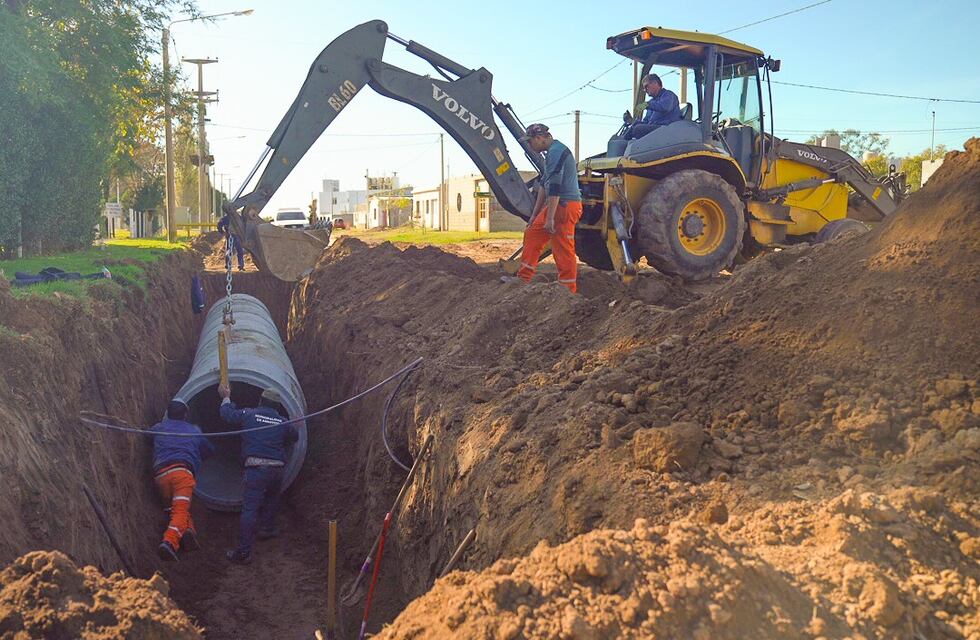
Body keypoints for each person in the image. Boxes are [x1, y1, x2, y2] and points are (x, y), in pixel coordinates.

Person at [218, 384, 298, 564]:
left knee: (249, 509)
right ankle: (267, 528)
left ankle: (244, 552)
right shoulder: (282, 422)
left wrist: (226, 397)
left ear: (260, 401)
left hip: (256, 469)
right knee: (272, 498)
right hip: (277, 469)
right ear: (277, 407)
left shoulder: (249, 414)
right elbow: (294, 437)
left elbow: (227, 415)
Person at [513, 123, 583, 293]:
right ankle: (523, 279)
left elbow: (555, 186)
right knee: (533, 232)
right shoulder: (551, 154)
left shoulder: (557, 151)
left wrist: (550, 217)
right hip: (557, 205)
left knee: (562, 247)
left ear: (539, 138)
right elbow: (544, 185)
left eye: (530, 142)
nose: (530, 146)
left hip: (566, 206)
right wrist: (535, 216)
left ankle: (567, 290)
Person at [149, 400, 214, 562]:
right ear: (186, 415)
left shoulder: (159, 428)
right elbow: (209, 450)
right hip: (182, 474)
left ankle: (187, 531)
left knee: (176, 508)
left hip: (161, 477)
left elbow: (147, 436)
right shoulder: (194, 430)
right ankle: (169, 542)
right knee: (180, 510)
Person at [625, 73, 682, 140]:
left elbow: (665, 107)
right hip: (656, 129)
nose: (645, 90)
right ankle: (622, 141)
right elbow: (646, 121)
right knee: (635, 126)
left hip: (666, 128)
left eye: (646, 86)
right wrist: (632, 121)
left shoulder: (668, 95)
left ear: (655, 83)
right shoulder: (652, 102)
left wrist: (647, 104)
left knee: (638, 129)